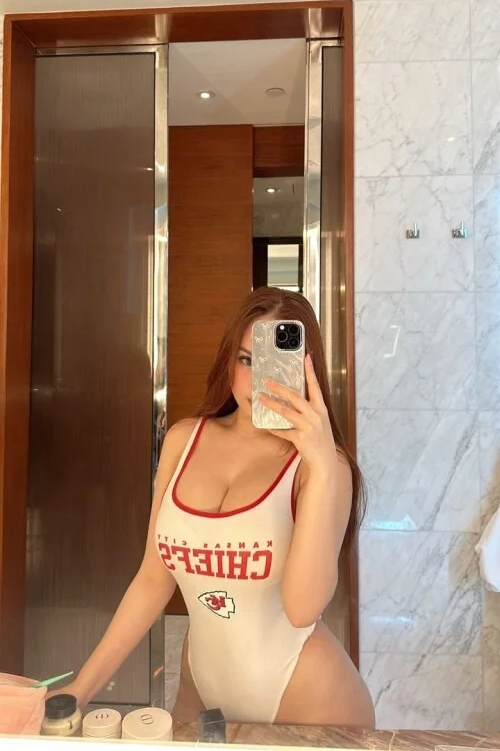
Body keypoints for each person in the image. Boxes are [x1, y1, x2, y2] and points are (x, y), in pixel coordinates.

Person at [58, 287, 374, 726]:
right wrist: (81, 689)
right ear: (228, 361)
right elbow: (152, 581)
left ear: (306, 370)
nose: (260, 381)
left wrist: (321, 468)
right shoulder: (182, 440)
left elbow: (303, 609)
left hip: (311, 703)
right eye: (246, 360)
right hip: (202, 691)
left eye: (274, 363)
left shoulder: (321, 468)